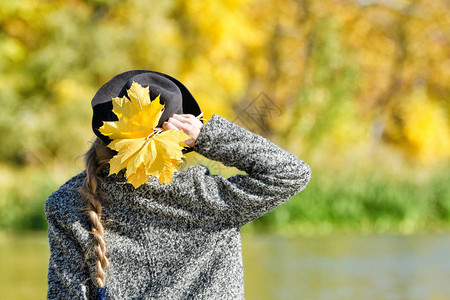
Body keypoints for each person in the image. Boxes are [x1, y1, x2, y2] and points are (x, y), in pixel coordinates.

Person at [45, 70, 311, 299]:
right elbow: (291, 173)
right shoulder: (203, 196)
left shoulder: (67, 204)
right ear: (178, 141)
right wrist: (207, 135)